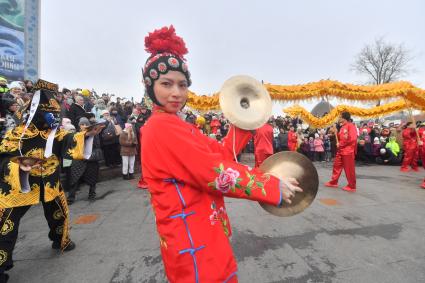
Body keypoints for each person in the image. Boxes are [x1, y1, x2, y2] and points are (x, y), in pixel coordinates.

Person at [140, 26, 302, 283]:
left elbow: (221, 153)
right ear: (150, 87)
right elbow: (213, 171)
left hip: (203, 230)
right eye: (166, 84)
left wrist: (246, 117)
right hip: (191, 238)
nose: (176, 93)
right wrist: (271, 186)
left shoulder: (178, 125)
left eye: (182, 85)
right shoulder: (160, 127)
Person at [0, 80, 102, 282]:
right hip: (18, 186)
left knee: (59, 214)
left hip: (49, 181)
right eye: (48, 113)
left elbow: (71, 140)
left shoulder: (56, 133)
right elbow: (3, 159)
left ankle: (59, 239)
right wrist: (18, 167)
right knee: (6, 225)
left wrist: (87, 134)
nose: (54, 117)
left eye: (55, 113)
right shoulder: (17, 134)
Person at [67, 117, 103, 204]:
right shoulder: (76, 134)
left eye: (86, 124)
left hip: (91, 159)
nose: (84, 126)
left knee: (92, 178)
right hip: (79, 159)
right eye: (82, 124)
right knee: (74, 179)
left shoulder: (95, 135)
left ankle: (92, 193)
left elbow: (97, 146)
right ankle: (71, 197)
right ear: (79, 126)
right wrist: (87, 134)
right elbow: (74, 142)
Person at [325, 112, 358, 192]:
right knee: (336, 165)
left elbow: (352, 139)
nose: (338, 118)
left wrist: (341, 143)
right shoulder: (342, 127)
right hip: (341, 150)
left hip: (348, 151)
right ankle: (334, 182)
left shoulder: (351, 126)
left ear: (344, 118)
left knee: (349, 169)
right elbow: (340, 138)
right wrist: (335, 133)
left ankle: (352, 186)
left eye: (340, 117)